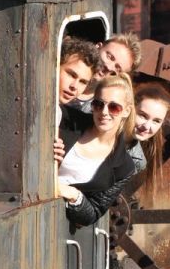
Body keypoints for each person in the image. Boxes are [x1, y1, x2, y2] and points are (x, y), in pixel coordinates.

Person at [57, 73, 136, 226]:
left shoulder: (124, 167)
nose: (104, 112)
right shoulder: (67, 120)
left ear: (126, 111)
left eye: (114, 107)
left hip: (56, 223)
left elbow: (94, 212)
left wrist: (73, 194)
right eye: (98, 104)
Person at [71, 33, 142, 113]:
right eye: (110, 57)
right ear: (98, 47)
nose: (109, 67)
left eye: (117, 68)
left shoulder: (100, 110)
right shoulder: (62, 66)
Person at [126, 82, 170, 200]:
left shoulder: (139, 162)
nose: (147, 126)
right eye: (143, 116)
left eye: (156, 121)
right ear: (130, 109)